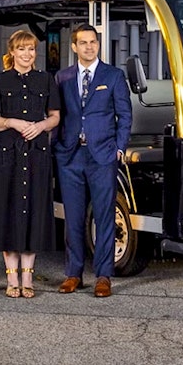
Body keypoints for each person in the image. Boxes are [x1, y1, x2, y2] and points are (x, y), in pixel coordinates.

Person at [53, 23, 131, 298]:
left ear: (98, 45)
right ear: (74, 47)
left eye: (93, 42)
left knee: (104, 215)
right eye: (83, 42)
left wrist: (119, 148)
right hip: (70, 155)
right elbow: (57, 115)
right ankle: (73, 274)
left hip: (102, 156)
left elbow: (125, 114)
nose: (89, 47)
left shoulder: (113, 75)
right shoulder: (62, 77)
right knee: (73, 217)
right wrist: (57, 148)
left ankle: (103, 276)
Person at [0, 29, 59, 298]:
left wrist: (40, 126)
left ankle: (27, 279)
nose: (27, 54)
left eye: (31, 49)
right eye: (21, 49)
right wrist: (12, 122)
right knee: (8, 211)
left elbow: (55, 116)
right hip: (8, 154)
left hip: (37, 153)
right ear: (12, 52)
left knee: (34, 211)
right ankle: (11, 279)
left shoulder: (46, 79)